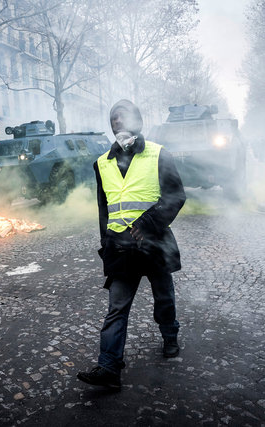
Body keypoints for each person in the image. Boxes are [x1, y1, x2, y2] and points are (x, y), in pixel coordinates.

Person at [77, 99, 187, 390]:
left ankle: (170, 337)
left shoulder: (158, 154)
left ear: (137, 120)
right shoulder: (102, 163)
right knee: (116, 308)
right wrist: (105, 243)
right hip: (120, 249)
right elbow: (104, 208)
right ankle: (109, 367)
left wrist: (148, 223)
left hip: (154, 244)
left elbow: (176, 196)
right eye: (113, 118)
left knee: (164, 298)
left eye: (122, 116)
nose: (117, 122)